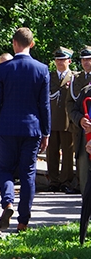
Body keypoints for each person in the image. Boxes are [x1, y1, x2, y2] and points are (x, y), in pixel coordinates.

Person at [0, 27, 51, 233]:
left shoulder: (3, 69)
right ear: (31, 44)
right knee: (28, 174)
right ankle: (23, 221)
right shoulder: (42, 69)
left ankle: (8, 203)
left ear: (14, 43)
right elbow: (44, 105)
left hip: (7, 127)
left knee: (5, 169)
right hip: (32, 128)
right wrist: (46, 131)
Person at [47, 48, 75, 193]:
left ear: (69, 61)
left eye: (62, 60)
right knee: (51, 152)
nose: (59, 62)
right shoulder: (49, 76)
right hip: (51, 120)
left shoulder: (74, 77)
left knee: (68, 152)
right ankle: (53, 180)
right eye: (57, 60)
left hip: (67, 120)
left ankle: (66, 181)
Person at [68, 48, 91, 193]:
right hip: (83, 133)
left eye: (89, 59)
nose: (86, 62)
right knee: (83, 172)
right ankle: (85, 210)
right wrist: (80, 119)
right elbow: (71, 105)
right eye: (83, 59)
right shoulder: (79, 83)